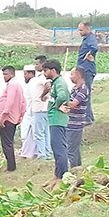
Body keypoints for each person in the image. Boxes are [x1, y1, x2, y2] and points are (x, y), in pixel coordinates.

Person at [42, 60, 71, 189]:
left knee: (60, 150)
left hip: (58, 119)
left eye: (45, 70)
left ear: (53, 70)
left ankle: (62, 177)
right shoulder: (55, 83)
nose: (44, 73)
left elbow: (62, 96)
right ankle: (57, 174)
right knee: (55, 148)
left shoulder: (60, 83)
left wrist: (56, 106)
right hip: (54, 120)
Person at [0, 66, 26, 172]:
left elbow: (10, 102)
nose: (4, 76)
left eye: (6, 74)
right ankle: (11, 165)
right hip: (13, 118)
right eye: (3, 74)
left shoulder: (12, 84)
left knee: (6, 143)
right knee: (9, 142)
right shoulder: (17, 84)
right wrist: (20, 116)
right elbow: (23, 103)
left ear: (12, 74)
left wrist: (3, 117)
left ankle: (11, 167)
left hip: (8, 119)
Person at [20, 64, 51, 160]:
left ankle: (41, 154)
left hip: (36, 109)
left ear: (30, 73)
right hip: (36, 109)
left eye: (25, 74)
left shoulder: (37, 79)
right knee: (44, 132)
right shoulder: (38, 79)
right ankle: (45, 153)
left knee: (37, 133)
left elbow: (36, 95)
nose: (24, 76)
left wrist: (41, 97)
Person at [64, 67, 92, 169]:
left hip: (76, 124)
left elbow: (72, 104)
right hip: (71, 122)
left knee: (70, 149)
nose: (70, 77)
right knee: (74, 149)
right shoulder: (74, 88)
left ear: (78, 75)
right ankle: (77, 168)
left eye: (72, 74)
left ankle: (71, 170)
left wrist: (62, 98)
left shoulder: (83, 89)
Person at [77, 21, 98, 122]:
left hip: (87, 69)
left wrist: (90, 54)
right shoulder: (87, 39)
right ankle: (89, 117)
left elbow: (94, 48)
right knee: (86, 92)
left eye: (81, 30)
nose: (79, 32)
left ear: (88, 29)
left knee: (85, 93)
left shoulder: (90, 38)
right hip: (83, 69)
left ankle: (87, 118)